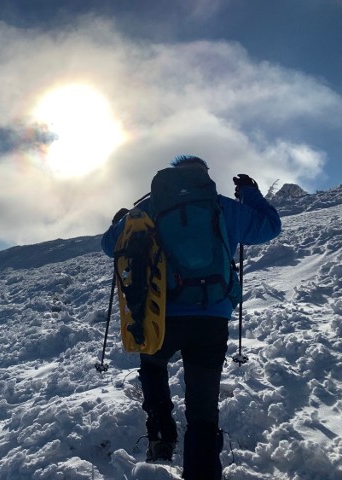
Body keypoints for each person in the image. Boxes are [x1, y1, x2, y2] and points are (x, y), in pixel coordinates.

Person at [101, 155, 281, 480]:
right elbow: (271, 226)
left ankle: (161, 437)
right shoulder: (222, 207)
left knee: (153, 366)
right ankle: (203, 471)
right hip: (211, 318)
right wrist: (250, 193)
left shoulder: (150, 207)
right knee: (203, 402)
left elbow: (109, 245)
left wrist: (123, 221)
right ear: (204, 176)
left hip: (160, 315)